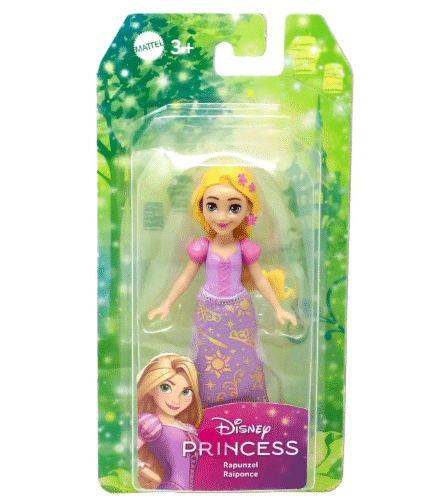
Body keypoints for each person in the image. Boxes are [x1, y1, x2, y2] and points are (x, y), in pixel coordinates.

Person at [148, 166, 297, 407]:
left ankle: (247, 401)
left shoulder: (245, 247)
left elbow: (260, 279)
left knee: (245, 356)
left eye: (234, 208)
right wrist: (166, 304)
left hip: (239, 311)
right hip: (209, 311)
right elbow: (185, 277)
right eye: (212, 206)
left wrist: (278, 308)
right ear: (201, 207)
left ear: (248, 210)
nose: (222, 216)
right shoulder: (203, 247)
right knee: (207, 357)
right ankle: (207, 405)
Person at [137, 354, 203, 490]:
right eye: (166, 387)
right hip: (169, 489)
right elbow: (126, 453)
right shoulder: (150, 422)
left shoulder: (188, 428)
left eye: (186, 391)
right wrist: (151, 475)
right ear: (151, 387)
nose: (176, 400)